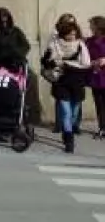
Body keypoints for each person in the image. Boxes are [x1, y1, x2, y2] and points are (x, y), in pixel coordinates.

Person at [43, 19, 91, 153]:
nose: (72, 36)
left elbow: (86, 63)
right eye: (70, 34)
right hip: (61, 81)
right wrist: (53, 63)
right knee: (66, 111)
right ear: (64, 34)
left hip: (76, 81)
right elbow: (47, 61)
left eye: (74, 34)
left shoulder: (80, 45)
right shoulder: (55, 44)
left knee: (74, 112)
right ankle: (69, 140)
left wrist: (68, 64)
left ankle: (68, 129)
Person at [88, 16, 105, 139]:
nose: (90, 27)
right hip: (96, 76)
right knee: (99, 104)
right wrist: (91, 63)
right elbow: (84, 57)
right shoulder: (89, 41)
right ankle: (102, 128)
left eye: (92, 25)